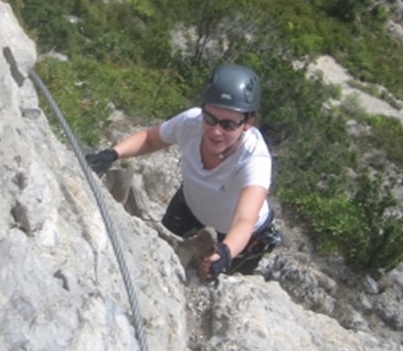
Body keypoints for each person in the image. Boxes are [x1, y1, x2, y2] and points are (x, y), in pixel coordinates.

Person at [86, 63, 281, 280]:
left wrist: (226, 252)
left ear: (248, 123)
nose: (216, 131)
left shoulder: (255, 159)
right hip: (190, 207)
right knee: (159, 260)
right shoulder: (190, 123)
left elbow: (244, 219)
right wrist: (112, 154)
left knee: (208, 282)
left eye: (228, 125)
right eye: (210, 118)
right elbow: (150, 139)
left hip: (240, 235)